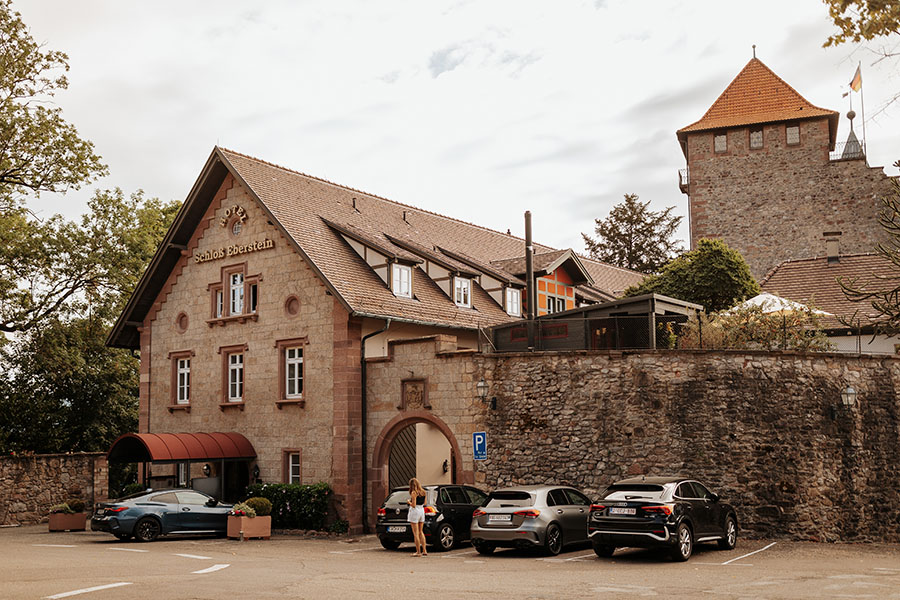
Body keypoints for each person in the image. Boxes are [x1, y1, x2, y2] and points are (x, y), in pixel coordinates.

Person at [407, 477, 427, 556]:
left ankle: (418, 552)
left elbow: (414, 505)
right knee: (421, 532)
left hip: (415, 512)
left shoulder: (413, 493)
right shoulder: (423, 492)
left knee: (415, 533)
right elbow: (425, 503)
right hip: (421, 510)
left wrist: (409, 502)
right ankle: (424, 550)